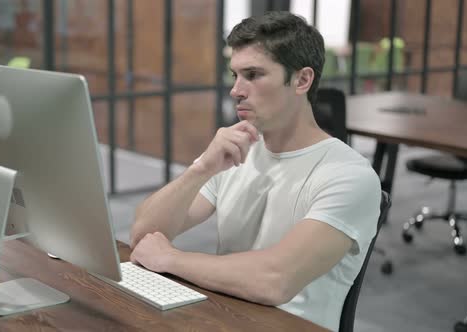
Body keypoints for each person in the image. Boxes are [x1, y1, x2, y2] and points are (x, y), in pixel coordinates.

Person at [129, 11, 380, 331]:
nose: (236, 90)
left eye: (253, 74)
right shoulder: (235, 150)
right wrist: (201, 169)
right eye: (234, 75)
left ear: (302, 80)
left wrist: (171, 259)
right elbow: (143, 234)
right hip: (222, 317)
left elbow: (274, 281)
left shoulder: (350, 176)